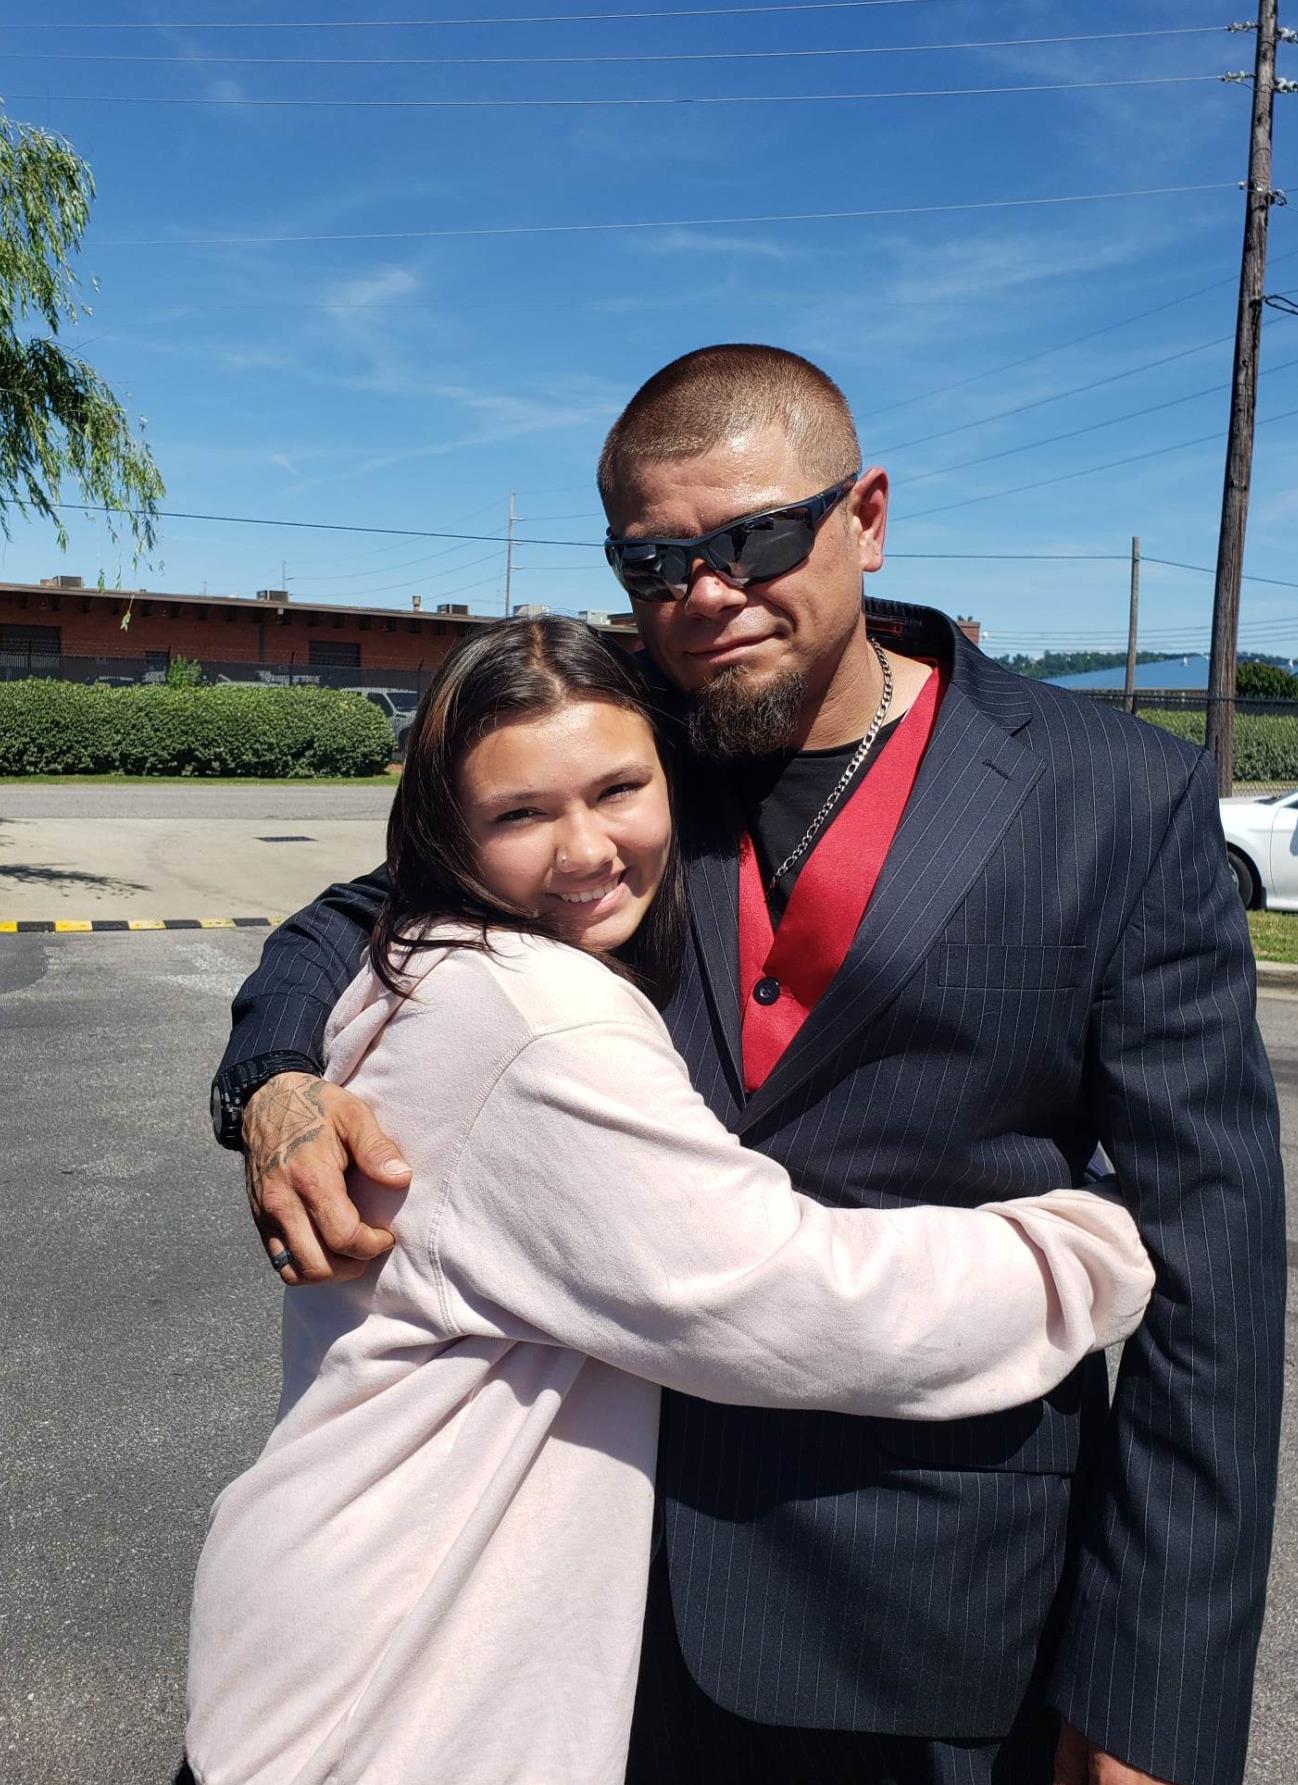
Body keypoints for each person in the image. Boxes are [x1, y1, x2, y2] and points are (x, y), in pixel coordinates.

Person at [210, 347, 1287, 1785]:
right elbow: (368, 906)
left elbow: (1214, 1264)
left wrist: (1147, 1703)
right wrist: (275, 1079)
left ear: (866, 517)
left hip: (937, 1603)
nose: (705, 594)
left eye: (754, 538)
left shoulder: (1111, 793)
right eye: (654, 562)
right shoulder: (635, 753)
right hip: (584, 1594)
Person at [184, 616, 1152, 1785]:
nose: (583, 851)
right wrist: (1090, 1244)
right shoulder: (535, 1019)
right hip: (399, 1672)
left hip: (368, 1601)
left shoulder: (427, 954)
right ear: (445, 830)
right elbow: (788, 1300)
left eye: (616, 790)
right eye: (518, 814)